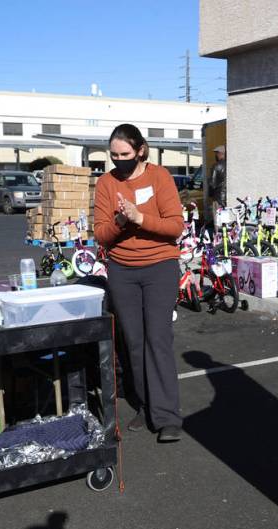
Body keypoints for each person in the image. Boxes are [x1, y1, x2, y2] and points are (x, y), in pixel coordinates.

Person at [94, 124, 185, 444]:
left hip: (160, 267)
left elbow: (176, 226)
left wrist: (139, 218)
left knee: (157, 339)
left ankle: (167, 416)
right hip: (122, 271)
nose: (119, 161)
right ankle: (146, 405)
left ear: (141, 150)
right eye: (114, 155)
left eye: (125, 155)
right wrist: (121, 221)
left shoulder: (160, 178)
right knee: (133, 341)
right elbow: (101, 235)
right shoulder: (106, 183)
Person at [208, 144, 227, 218]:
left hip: (218, 197)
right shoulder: (230, 164)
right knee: (226, 218)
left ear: (220, 154)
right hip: (227, 196)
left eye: (217, 154)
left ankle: (218, 230)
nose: (216, 156)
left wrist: (210, 195)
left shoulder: (216, 166)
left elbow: (212, 183)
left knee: (218, 219)